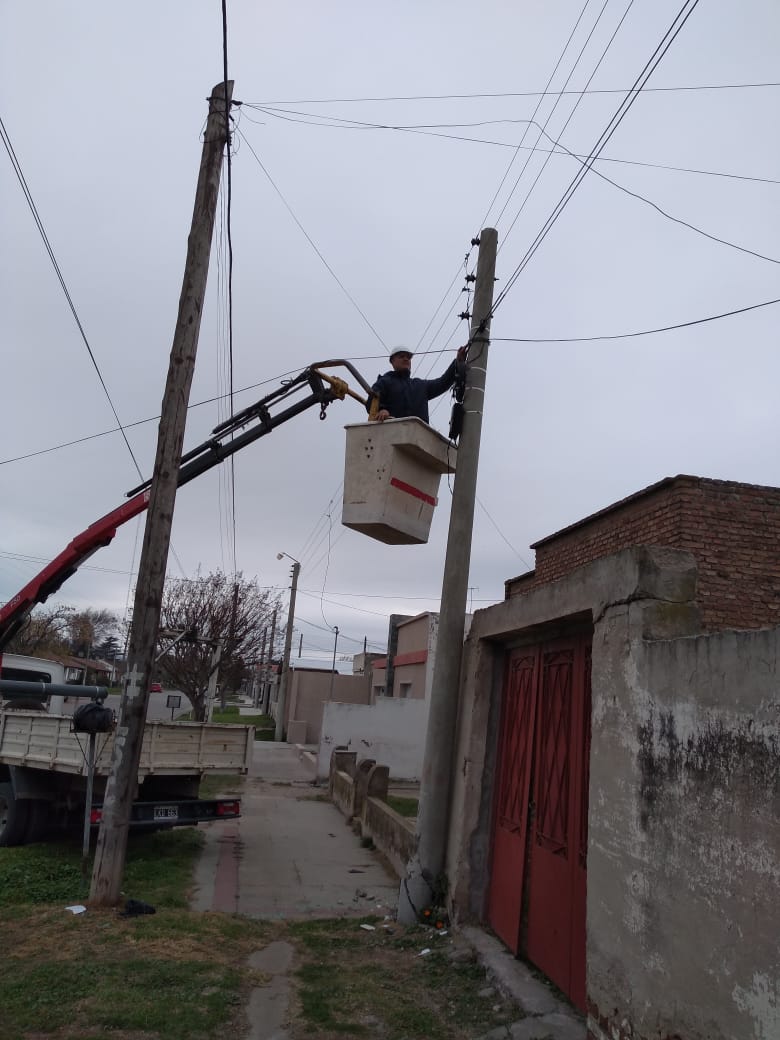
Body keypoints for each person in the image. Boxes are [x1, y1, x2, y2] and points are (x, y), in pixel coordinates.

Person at [368, 345, 467, 424]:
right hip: (392, 434)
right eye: (401, 356)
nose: (406, 359)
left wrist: (458, 362)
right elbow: (371, 402)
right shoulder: (384, 382)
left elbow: (442, 383)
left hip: (418, 437)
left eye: (408, 357)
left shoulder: (420, 385)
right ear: (392, 361)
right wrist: (381, 410)